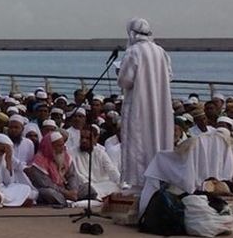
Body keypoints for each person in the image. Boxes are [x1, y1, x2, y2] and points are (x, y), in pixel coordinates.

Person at [117, 17, 173, 190]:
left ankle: (139, 183)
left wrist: (119, 71)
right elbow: (169, 76)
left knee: (138, 142)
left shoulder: (133, 51)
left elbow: (125, 80)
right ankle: (159, 178)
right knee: (158, 138)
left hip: (139, 106)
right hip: (159, 106)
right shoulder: (160, 52)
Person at [25, 132, 92, 206]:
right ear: (50, 147)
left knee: (88, 188)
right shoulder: (38, 163)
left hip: (66, 189)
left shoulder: (65, 156)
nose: (62, 148)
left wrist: (74, 191)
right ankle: (68, 202)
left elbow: (72, 175)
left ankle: (71, 200)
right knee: (48, 193)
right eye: (59, 146)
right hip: (52, 190)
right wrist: (66, 193)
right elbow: (47, 184)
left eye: (63, 144)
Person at [69, 128, 121, 200]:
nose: (84, 141)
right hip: (85, 185)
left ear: (95, 139)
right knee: (89, 190)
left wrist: (120, 183)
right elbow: (76, 175)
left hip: (102, 184)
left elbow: (111, 169)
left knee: (116, 187)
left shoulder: (100, 152)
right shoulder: (72, 152)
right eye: (82, 137)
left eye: (88, 138)